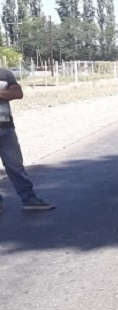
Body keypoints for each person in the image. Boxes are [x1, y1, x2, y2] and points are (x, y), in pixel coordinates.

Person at [0, 68, 54, 213]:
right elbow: (12, 93)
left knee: (16, 167)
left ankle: (29, 199)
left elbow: (18, 93)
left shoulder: (4, 73)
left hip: (6, 128)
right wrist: (6, 94)